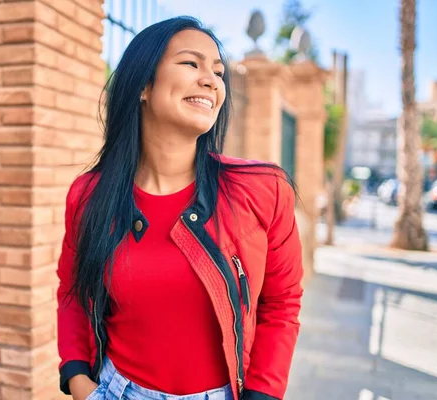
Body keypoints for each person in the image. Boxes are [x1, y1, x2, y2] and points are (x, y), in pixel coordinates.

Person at [56, 16, 303, 400]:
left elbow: (281, 303)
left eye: (218, 72)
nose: (211, 80)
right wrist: (77, 380)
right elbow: (72, 292)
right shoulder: (89, 196)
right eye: (191, 63)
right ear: (143, 84)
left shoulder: (262, 190)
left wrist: (263, 394)